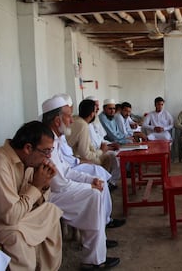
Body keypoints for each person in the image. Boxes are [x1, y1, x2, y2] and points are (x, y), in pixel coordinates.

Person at [0, 121, 63, 270]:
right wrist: (36, 187)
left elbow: (37, 203)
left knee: (50, 211)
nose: (48, 157)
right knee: (16, 237)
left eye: (51, 150)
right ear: (28, 148)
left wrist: (44, 184)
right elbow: (11, 217)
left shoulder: (28, 162)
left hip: (8, 215)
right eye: (46, 151)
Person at [41, 97, 122, 270]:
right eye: (69, 116)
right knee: (94, 195)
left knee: (97, 185)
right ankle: (93, 260)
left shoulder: (55, 138)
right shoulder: (46, 143)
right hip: (50, 193)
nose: (72, 120)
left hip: (60, 187)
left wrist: (90, 180)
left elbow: (66, 169)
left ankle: (96, 254)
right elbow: (59, 184)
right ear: (57, 120)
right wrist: (88, 186)